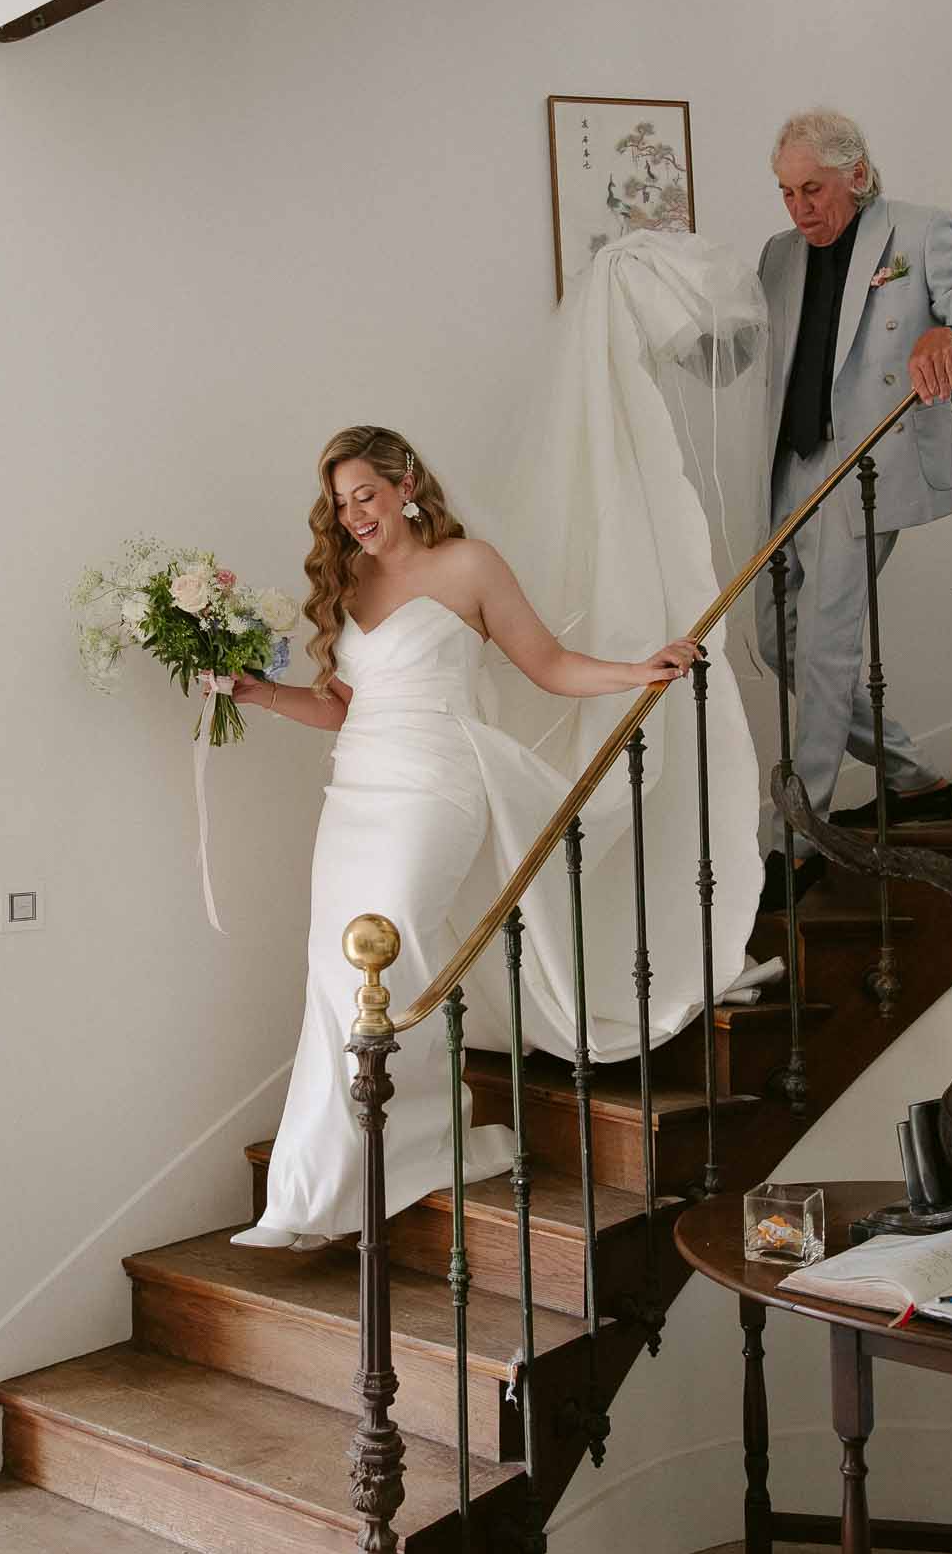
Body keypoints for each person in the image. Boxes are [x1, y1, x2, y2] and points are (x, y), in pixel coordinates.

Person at [229, 426, 701, 1249]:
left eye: (365, 497)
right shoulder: (349, 580)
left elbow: (547, 665)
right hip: (354, 793)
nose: (354, 517)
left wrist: (637, 671)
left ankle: (352, 1173)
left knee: (391, 956)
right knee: (333, 970)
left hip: (433, 788)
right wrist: (254, 692)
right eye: (341, 506)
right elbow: (340, 705)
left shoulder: (470, 565)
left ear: (404, 480)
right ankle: (346, 1172)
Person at [755, 110, 952, 910]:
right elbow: (745, 349)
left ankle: (798, 836)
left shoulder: (921, 229)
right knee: (776, 640)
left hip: (869, 466)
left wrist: (948, 335)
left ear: (856, 175)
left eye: (812, 189)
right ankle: (913, 779)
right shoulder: (777, 256)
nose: (799, 208)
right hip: (791, 466)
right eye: (786, 192)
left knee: (829, 643)